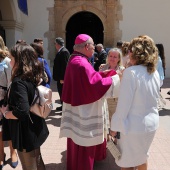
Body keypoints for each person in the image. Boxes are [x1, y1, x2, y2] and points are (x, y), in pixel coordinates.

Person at [59, 34, 120, 170]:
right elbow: (94, 85)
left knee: (77, 142)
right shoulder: (81, 63)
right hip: (84, 111)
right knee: (83, 143)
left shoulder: (76, 59)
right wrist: (115, 80)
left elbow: (92, 78)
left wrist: (108, 74)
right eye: (93, 46)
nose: (94, 48)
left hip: (78, 107)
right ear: (86, 46)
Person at [110, 35, 160, 170]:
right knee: (142, 158)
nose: (128, 53)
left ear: (136, 52)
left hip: (133, 127)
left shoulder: (131, 73)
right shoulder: (153, 72)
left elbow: (123, 107)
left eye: (130, 50)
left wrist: (113, 129)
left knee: (126, 163)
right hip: (151, 124)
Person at [0, 43, 49, 170]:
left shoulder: (19, 82)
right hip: (34, 127)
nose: (9, 62)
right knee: (37, 162)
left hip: (26, 132)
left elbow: (22, 111)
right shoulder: (30, 76)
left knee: (30, 166)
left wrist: (6, 113)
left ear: (19, 60)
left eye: (11, 58)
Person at [0, 36, 18, 170]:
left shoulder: (6, 62)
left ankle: (13, 151)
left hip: (4, 100)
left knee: (8, 127)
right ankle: (1, 153)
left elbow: (11, 83)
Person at [99, 48, 124, 126]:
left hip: (115, 100)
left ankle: (115, 137)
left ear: (119, 59)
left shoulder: (122, 70)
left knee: (114, 121)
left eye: (115, 57)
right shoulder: (102, 68)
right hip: (104, 98)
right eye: (111, 56)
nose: (112, 58)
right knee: (104, 120)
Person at [53, 37, 70, 111]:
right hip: (59, 77)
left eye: (55, 44)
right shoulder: (61, 51)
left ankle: (65, 108)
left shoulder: (64, 52)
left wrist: (63, 78)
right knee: (61, 92)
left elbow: (65, 66)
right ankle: (62, 106)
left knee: (63, 92)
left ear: (57, 44)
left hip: (62, 78)